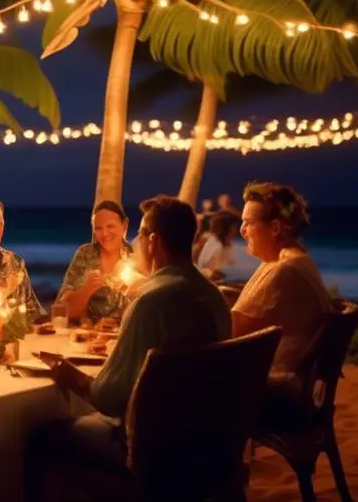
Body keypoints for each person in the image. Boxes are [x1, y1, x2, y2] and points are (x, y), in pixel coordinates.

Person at [25, 196, 231, 494]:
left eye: (141, 234)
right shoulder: (214, 298)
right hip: (203, 441)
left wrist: (67, 372)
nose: (135, 242)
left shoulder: (150, 303)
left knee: (40, 436)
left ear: (154, 241)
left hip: (149, 448)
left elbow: (108, 397)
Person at [232, 182, 333, 383]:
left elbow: (232, 332)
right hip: (288, 378)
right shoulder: (290, 260)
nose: (242, 230)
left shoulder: (284, 270)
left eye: (249, 222)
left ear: (275, 227)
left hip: (276, 384)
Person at [56, 200, 136, 324]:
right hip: (86, 334)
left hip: (124, 335)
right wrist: (86, 291)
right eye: (98, 228)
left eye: (110, 226)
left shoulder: (135, 257)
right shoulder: (86, 254)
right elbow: (61, 310)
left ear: (124, 225)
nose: (104, 234)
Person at [196, 211, 238, 280]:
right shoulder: (216, 246)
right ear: (226, 229)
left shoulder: (227, 244)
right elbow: (205, 269)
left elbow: (231, 262)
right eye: (234, 227)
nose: (236, 231)